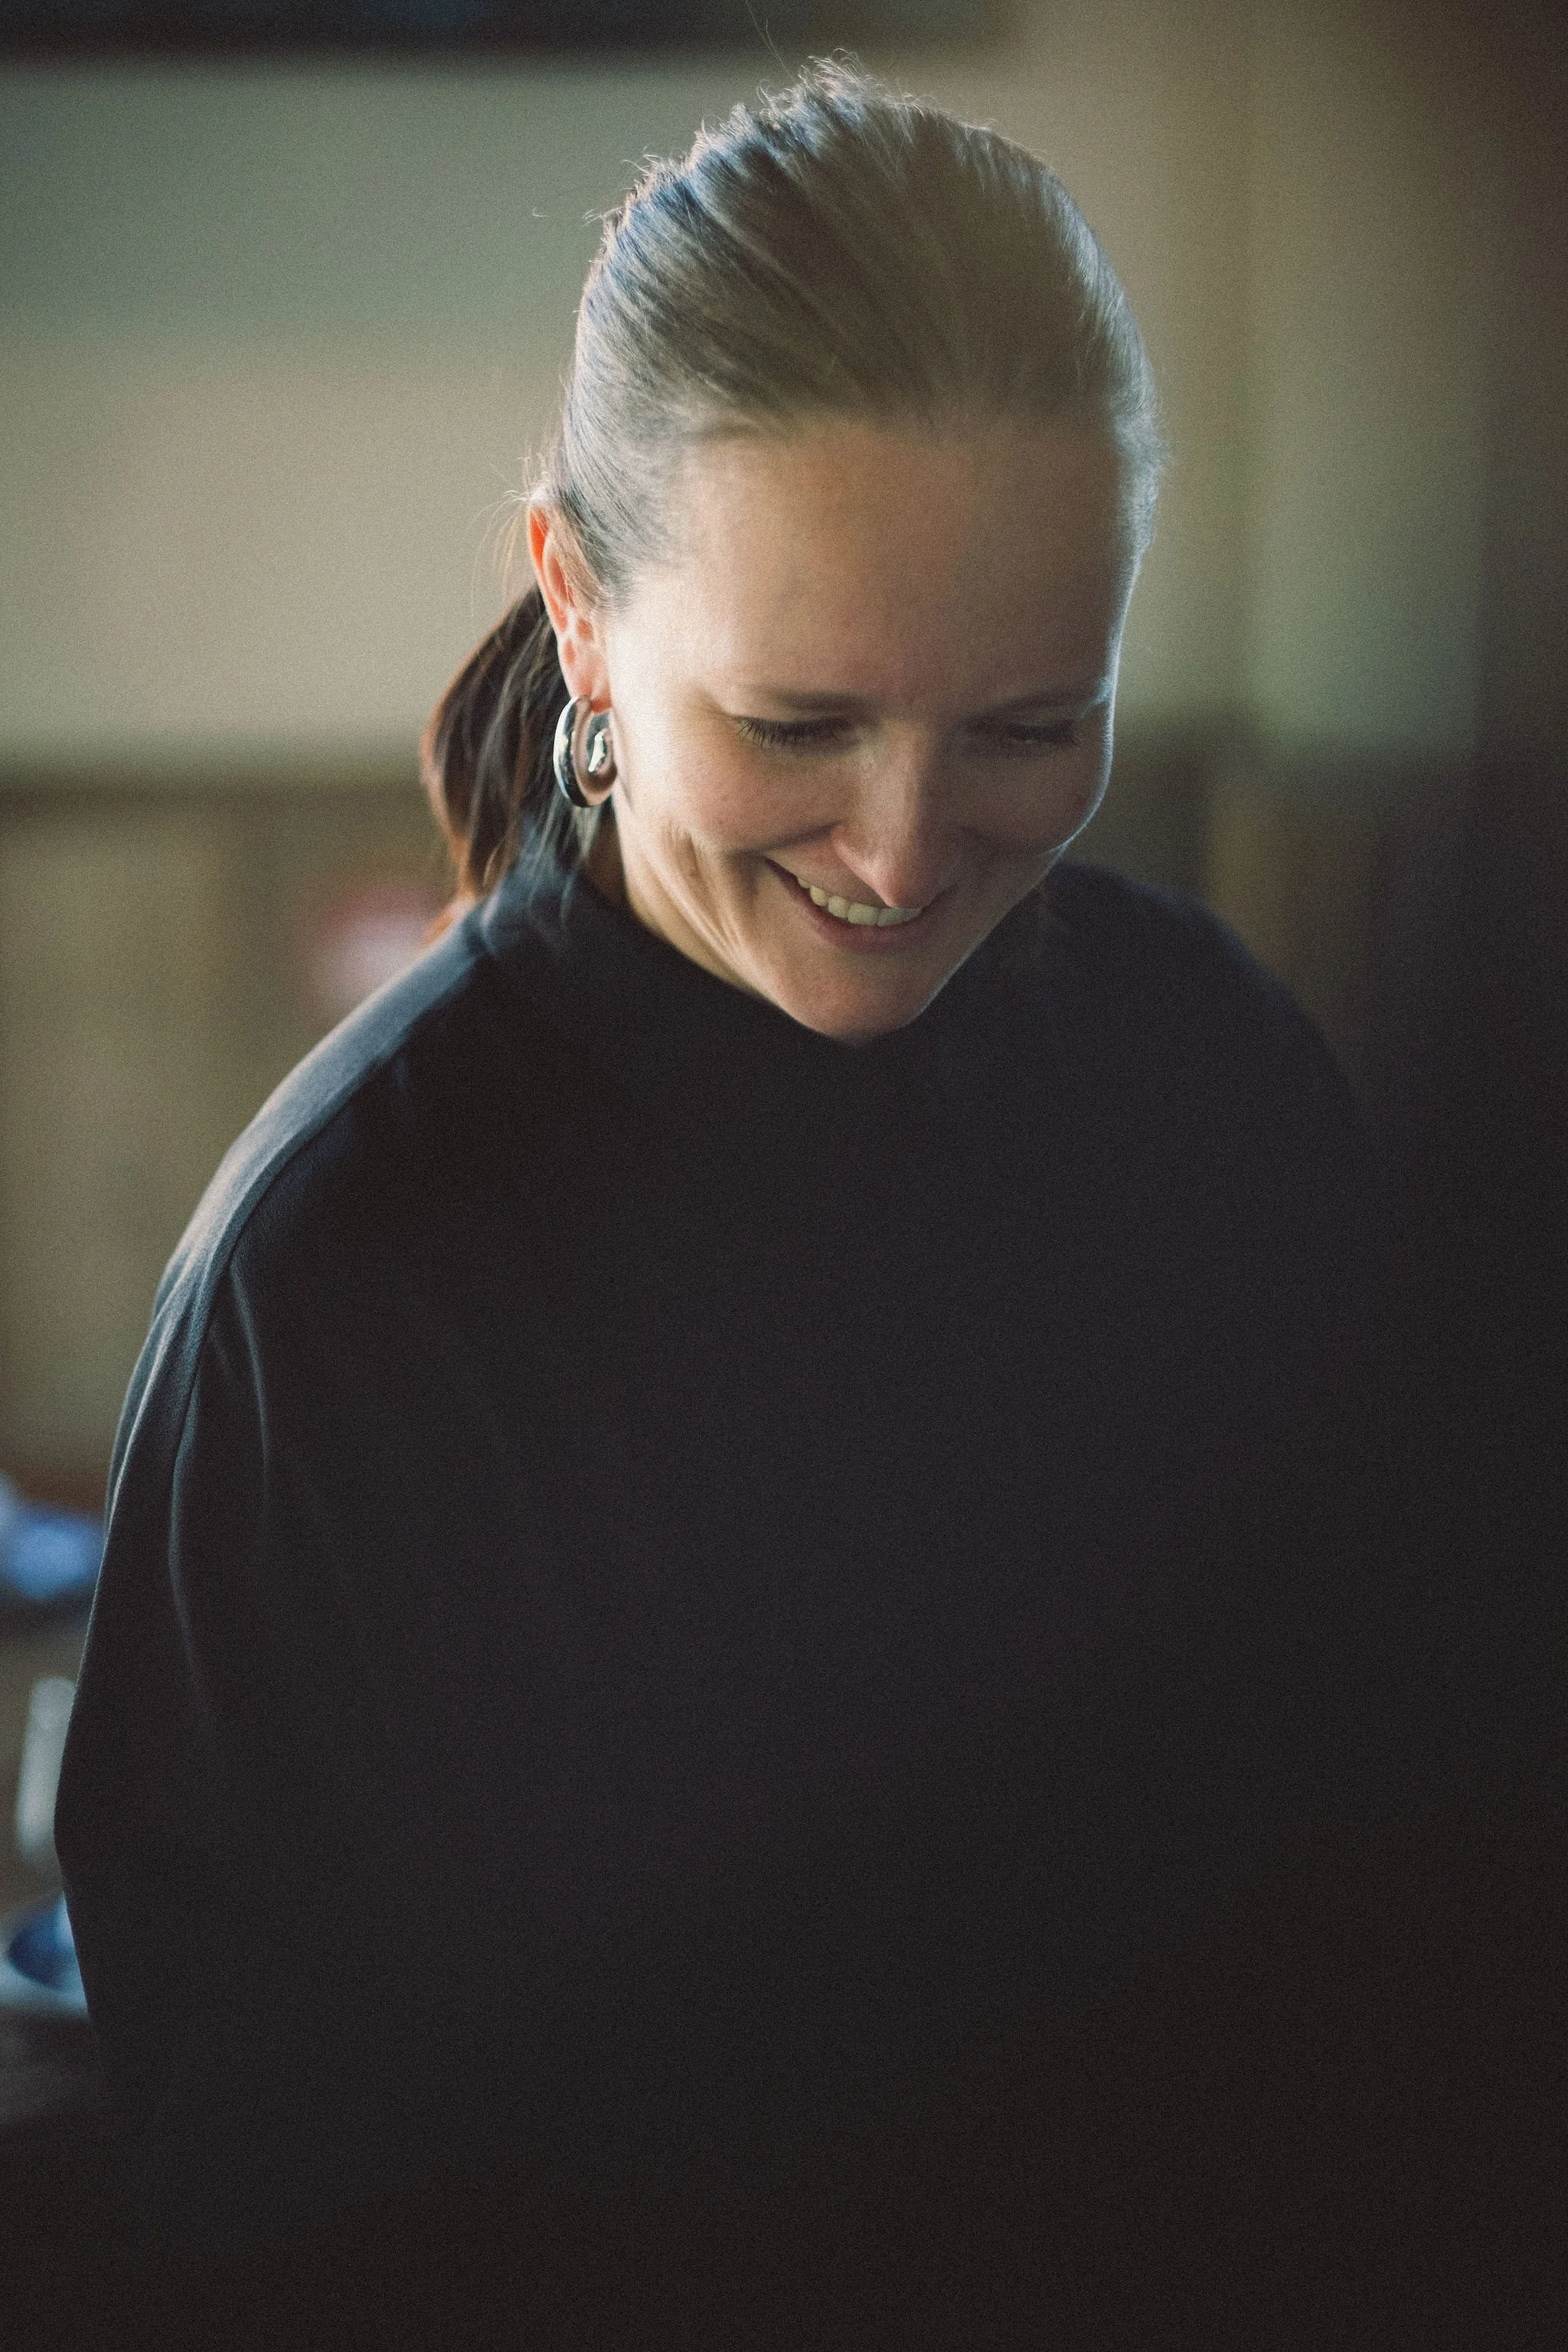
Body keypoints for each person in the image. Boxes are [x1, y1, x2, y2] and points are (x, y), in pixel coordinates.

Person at [56, 64, 1393, 2347]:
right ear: (580, 612)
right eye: (796, 725)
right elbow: (252, 2187)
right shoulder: (342, 1275)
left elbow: (1384, 1878)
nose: (903, 848)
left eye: (1027, 726)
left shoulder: (1216, 1080)